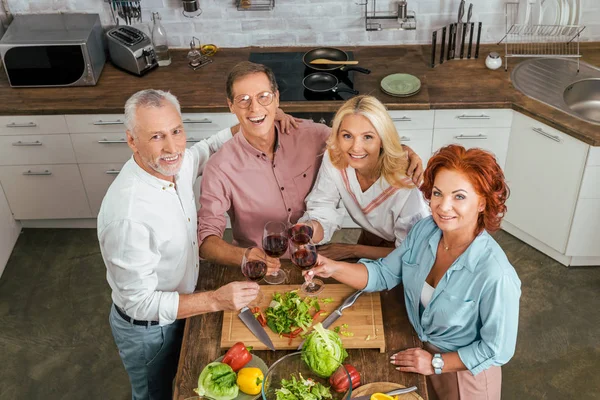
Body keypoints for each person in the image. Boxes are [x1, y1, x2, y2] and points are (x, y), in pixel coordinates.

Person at [98, 89, 287, 400]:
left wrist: (255, 120)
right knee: (154, 394)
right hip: (148, 330)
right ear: (132, 140)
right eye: (157, 137)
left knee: (186, 379)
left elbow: (208, 147)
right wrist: (214, 300)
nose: (173, 147)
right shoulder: (128, 215)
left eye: (176, 131)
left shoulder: (177, 164)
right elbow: (139, 303)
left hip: (184, 304)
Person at [309, 144, 521, 399]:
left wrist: (435, 363)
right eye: (438, 193)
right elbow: (384, 274)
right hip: (418, 353)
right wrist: (333, 267)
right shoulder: (425, 230)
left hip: (466, 375)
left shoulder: (495, 273)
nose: (443, 206)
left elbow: (497, 349)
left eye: (459, 196)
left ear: (482, 203)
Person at [197, 62, 424, 269]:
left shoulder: (314, 136)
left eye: (263, 97)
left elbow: (358, 140)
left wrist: (401, 150)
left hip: (315, 257)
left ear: (276, 99)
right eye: (243, 100)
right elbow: (206, 241)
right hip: (259, 265)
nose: (255, 108)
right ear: (231, 106)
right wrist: (245, 256)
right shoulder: (219, 167)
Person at [298, 95, 430, 260]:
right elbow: (323, 204)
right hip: (372, 237)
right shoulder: (335, 157)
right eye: (347, 136)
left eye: (367, 137)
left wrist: (352, 250)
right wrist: (311, 228)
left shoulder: (407, 184)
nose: (356, 147)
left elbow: (412, 253)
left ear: (382, 139)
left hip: (415, 253)